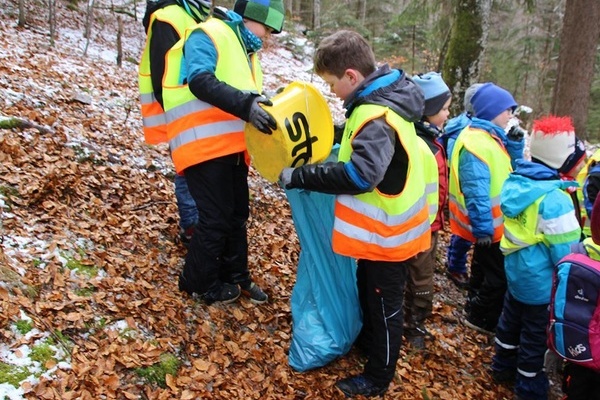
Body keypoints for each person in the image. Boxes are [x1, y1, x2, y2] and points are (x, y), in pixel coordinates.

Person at [279, 30, 430, 397]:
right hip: (383, 233)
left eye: (332, 84)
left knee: (385, 308)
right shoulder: (382, 100)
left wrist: (301, 176)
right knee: (371, 294)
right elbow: (358, 142)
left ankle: (378, 377)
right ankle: (369, 346)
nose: (332, 92)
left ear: (351, 76)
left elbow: (360, 174)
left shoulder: (374, 114)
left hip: (388, 237)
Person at [161, 0, 286, 305]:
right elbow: (201, 80)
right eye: (267, 27)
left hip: (233, 149)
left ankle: (236, 276)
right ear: (249, 17)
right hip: (202, 145)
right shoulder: (209, 33)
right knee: (215, 218)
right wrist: (247, 106)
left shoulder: (246, 51)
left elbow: (243, 93)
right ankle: (198, 283)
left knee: (236, 215)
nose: (267, 35)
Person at [490, 115, 583, 400]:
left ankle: (501, 366)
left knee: (509, 322)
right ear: (563, 162)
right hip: (543, 285)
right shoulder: (555, 200)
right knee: (534, 337)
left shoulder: (519, 182)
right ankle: (529, 387)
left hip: (518, 274)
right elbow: (566, 254)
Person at [448, 82, 524, 335]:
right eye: (507, 110)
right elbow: (476, 191)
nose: (510, 115)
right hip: (489, 226)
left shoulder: (487, 137)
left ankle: (474, 306)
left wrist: (514, 147)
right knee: (497, 276)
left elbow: (508, 169)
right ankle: (482, 318)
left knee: (483, 267)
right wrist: (483, 228)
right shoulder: (475, 144)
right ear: (492, 111)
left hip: (492, 226)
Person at [139, 0, 207, 246]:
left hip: (196, 110)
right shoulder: (168, 18)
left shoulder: (193, 17)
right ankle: (191, 228)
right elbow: (162, 76)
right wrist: (179, 112)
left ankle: (198, 227)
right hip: (181, 112)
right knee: (187, 171)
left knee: (196, 171)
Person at [403, 71, 451, 349]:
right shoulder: (422, 145)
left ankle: (413, 320)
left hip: (428, 224)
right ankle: (414, 326)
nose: (447, 113)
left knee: (418, 274)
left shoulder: (432, 140)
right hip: (421, 226)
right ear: (427, 111)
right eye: (443, 108)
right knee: (420, 276)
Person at [440, 83, 482, 289]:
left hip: (471, 187)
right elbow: (453, 161)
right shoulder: (462, 130)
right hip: (463, 188)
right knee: (464, 231)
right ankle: (455, 265)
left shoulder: (472, 125)